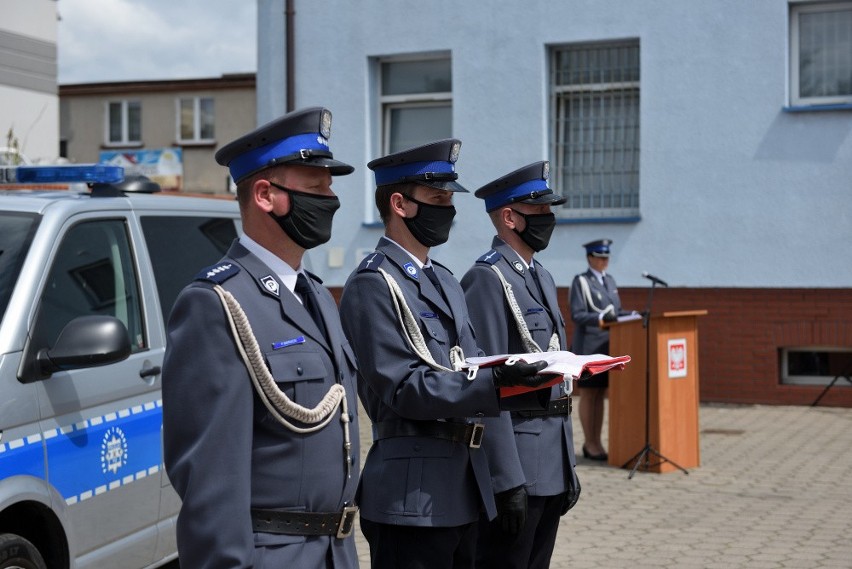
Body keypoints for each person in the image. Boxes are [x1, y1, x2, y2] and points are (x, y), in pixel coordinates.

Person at [162, 107, 362, 568]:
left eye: (329, 186)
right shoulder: (216, 303)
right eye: (316, 187)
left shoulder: (314, 295)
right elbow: (211, 481)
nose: (330, 198)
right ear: (266, 195)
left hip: (335, 552)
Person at [338, 139, 553, 569]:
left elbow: (470, 370)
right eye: (437, 199)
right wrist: (496, 382)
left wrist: (521, 384)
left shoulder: (445, 280)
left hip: (462, 487)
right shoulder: (374, 284)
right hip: (412, 496)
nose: (448, 210)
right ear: (399, 204)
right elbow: (403, 387)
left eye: (449, 200)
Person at [460, 161, 580, 569]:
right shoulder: (487, 279)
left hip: (550, 461)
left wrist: (568, 465)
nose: (549, 219)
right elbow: (486, 385)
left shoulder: (539, 275)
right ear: (509, 217)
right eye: (540, 212)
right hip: (519, 467)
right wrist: (504, 477)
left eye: (549, 211)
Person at [569, 238, 631, 461]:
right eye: (600, 257)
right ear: (590, 258)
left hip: (607, 345)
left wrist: (632, 315)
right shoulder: (581, 282)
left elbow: (618, 310)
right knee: (589, 394)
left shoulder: (610, 281)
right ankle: (590, 443)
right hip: (588, 346)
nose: (604, 261)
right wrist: (603, 317)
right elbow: (577, 315)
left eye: (606, 257)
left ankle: (597, 442)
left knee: (600, 395)